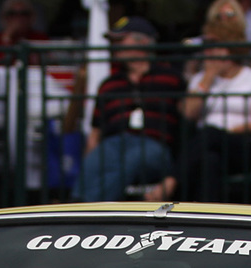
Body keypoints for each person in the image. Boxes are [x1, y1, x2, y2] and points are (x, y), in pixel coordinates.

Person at [71, 16, 182, 202]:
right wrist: (89, 158)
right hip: (115, 142)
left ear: (144, 42)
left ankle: (92, 209)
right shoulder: (109, 84)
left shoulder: (171, 78)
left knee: (133, 159)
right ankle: (74, 205)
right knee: (97, 159)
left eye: (121, 40)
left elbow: (185, 124)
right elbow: (95, 134)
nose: (115, 46)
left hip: (155, 145)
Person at [174, 16, 251, 201]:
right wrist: (208, 77)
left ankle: (171, 181)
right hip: (207, 147)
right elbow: (188, 113)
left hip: (242, 144)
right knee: (210, 161)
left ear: (231, 48)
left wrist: (225, 133)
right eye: (207, 46)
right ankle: (204, 217)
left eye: (215, 45)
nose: (209, 52)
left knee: (211, 134)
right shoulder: (200, 79)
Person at [0, 0, 48, 65]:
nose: (18, 18)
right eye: (12, 13)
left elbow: (51, 67)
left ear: (31, 17)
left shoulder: (41, 39)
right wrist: (7, 38)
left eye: (24, 13)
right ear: (5, 17)